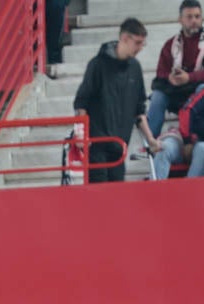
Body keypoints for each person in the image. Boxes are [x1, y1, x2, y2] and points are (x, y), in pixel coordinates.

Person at [72, 17, 156, 183]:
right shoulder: (97, 65)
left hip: (119, 147)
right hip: (96, 144)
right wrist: (81, 133)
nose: (140, 48)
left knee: (116, 193)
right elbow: (82, 102)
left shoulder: (135, 68)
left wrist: (151, 139)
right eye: (137, 43)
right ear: (124, 38)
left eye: (142, 43)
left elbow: (139, 110)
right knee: (99, 193)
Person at [146, 0, 204, 138]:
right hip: (179, 89)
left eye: (197, 16)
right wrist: (170, 77)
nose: (194, 20)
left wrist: (189, 77)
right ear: (180, 20)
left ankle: (191, 137)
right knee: (158, 95)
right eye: (189, 17)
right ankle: (150, 142)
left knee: (202, 89)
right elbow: (161, 72)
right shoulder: (171, 44)